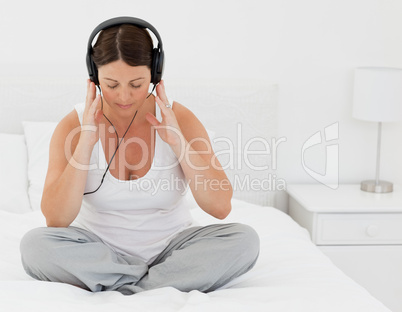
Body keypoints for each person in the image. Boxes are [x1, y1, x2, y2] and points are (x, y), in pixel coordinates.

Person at [20, 17, 260, 295]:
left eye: (136, 84)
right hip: (97, 250)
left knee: (245, 240)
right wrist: (86, 141)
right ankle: (157, 284)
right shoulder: (73, 125)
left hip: (173, 250)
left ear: (155, 74)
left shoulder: (179, 118)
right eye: (111, 84)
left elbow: (220, 207)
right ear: (94, 76)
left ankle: (121, 283)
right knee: (34, 246)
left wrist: (177, 141)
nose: (124, 96)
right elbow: (56, 220)